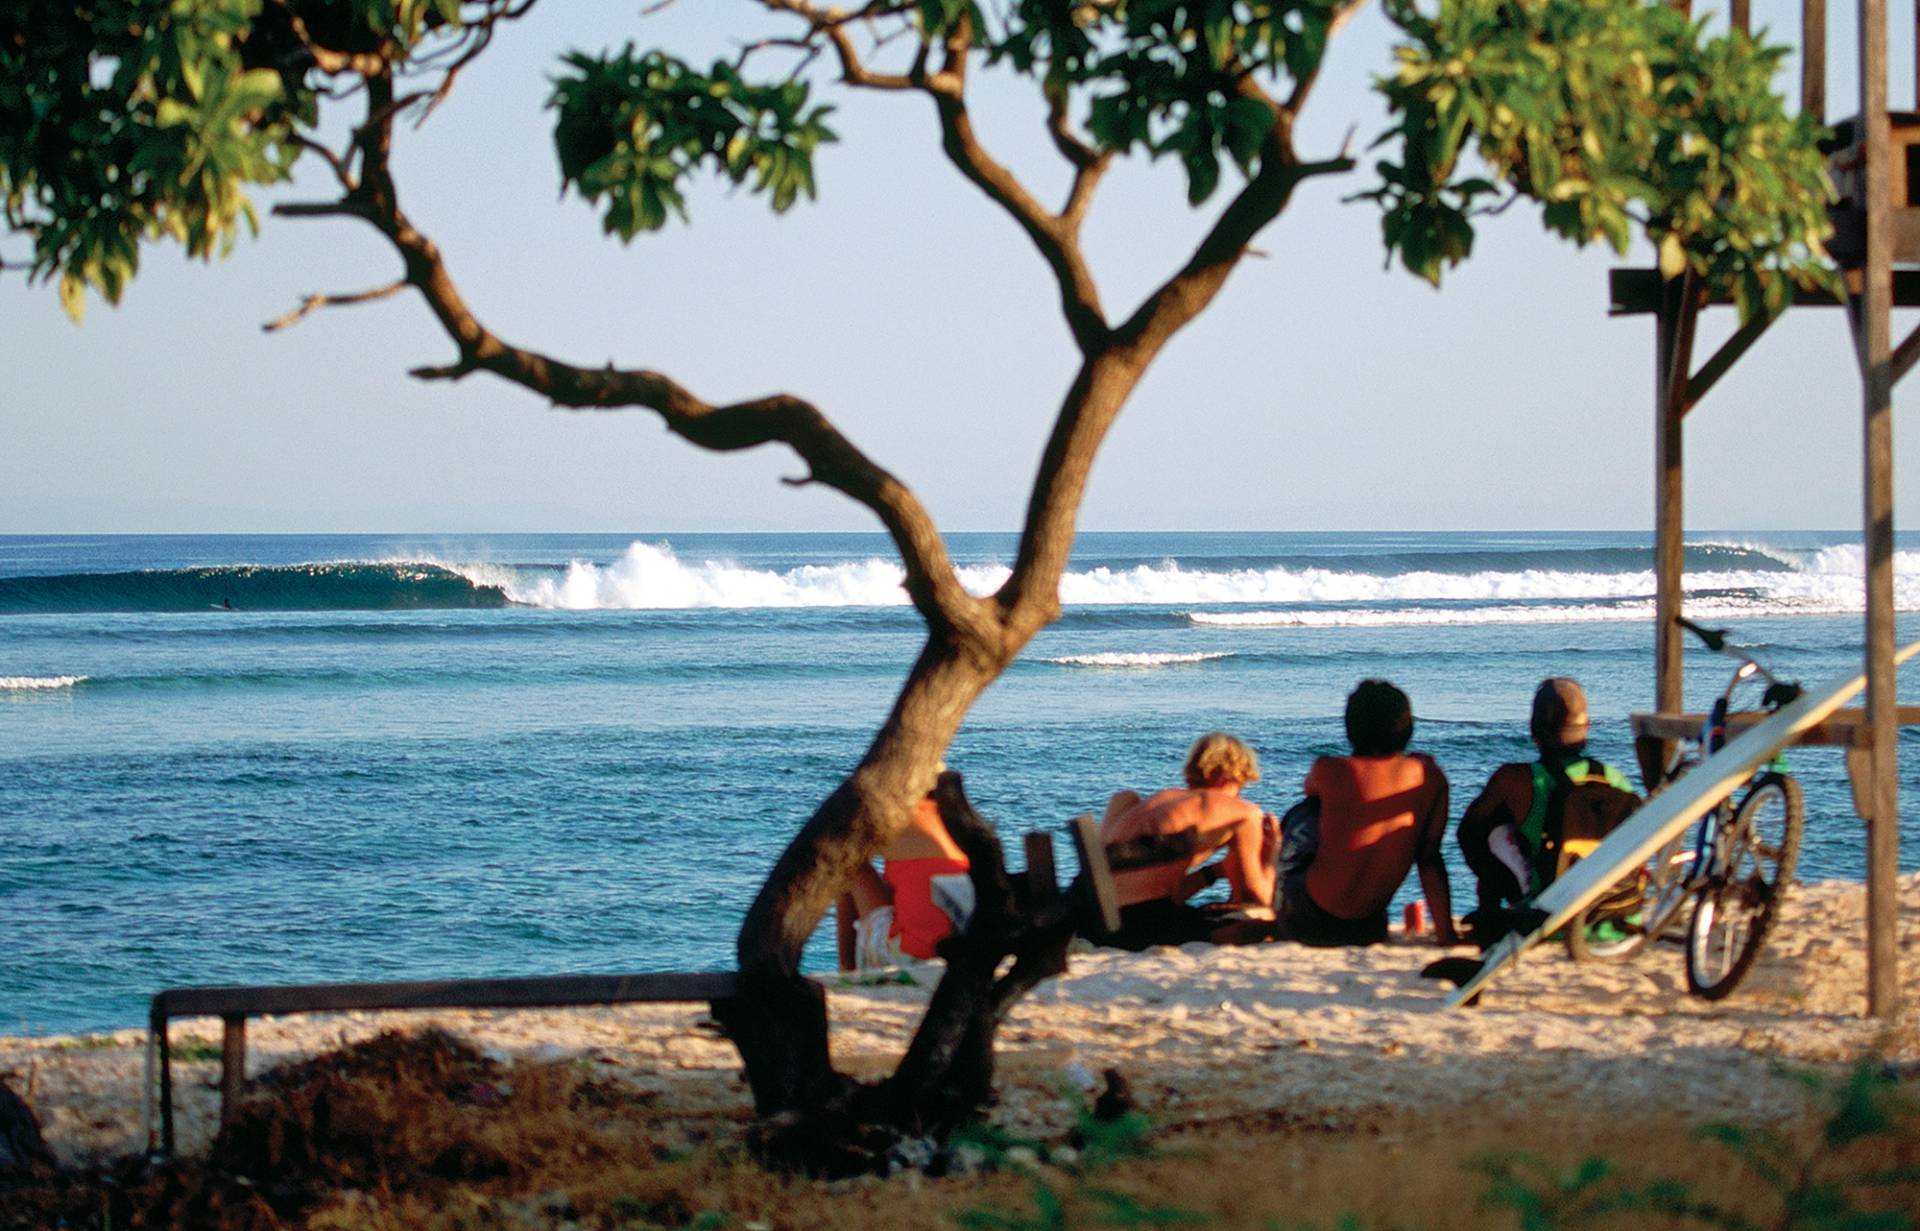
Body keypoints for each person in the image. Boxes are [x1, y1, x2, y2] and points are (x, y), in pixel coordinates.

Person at [1276, 680, 1457, 947]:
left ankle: (1267, 908)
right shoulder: (1431, 778)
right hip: (1367, 926)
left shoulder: (1329, 769)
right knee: (1428, 852)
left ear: (1351, 728)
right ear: (1407, 726)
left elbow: (1309, 790)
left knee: (1306, 812)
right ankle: (1446, 933)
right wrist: (1446, 935)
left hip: (1306, 919)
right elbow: (1429, 860)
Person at [1457, 677, 1635, 925]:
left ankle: (1492, 909)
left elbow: (1467, 833)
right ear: (1587, 727)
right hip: (1610, 917)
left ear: (1533, 730)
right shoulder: (1614, 779)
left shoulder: (1515, 780)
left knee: (1484, 825)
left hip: (1547, 916)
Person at [1098, 732, 1277, 949]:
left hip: (1093, 919)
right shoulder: (1244, 813)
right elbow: (1257, 897)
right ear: (1235, 774)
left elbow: (1157, 891)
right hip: (1143, 929)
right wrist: (1271, 856)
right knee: (1264, 921)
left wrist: (1215, 871)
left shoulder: (1149, 802)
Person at [836, 788, 975, 972]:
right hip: (966, 947)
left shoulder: (894, 819)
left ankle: (847, 968)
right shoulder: (959, 820)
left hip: (910, 958)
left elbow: (838, 845)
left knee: (848, 861)